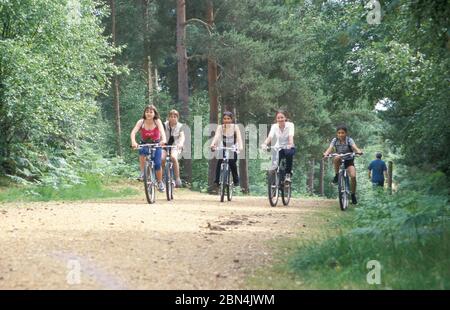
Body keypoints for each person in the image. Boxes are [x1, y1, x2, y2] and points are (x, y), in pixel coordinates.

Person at [323, 125, 363, 204]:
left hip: (349, 160)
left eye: (342, 133)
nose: (341, 134)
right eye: (339, 133)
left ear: (346, 133)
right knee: (336, 157)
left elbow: (354, 147)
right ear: (337, 134)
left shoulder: (349, 140)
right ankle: (337, 175)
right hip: (340, 159)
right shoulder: (335, 140)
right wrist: (325, 154)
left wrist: (358, 151)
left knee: (353, 176)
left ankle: (353, 194)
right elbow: (330, 148)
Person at [130, 105, 167, 192]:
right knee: (142, 151)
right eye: (147, 112)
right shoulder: (141, 122)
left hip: (156, 144)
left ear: (154, 113)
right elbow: (133, 132)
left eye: (151, 112)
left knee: (158, 164)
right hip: (144, 143)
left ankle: (160, 182)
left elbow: (162, 132)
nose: (149, 114)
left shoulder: (157, 121)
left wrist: (164, 140)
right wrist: (133, 142)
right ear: (144, 113)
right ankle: (143, 172)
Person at [210, 111, 243, 187]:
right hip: (224, 146)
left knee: (232, 161)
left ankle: (236, 180)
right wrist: (213, 144)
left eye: (228, 119)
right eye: (225, 119)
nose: (226, 120)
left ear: (231, 120)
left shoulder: (235, 127)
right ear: (223, 120)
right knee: (220, 161)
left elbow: (239, 138)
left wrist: (240, 147)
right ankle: (217, 180)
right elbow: (217, 137)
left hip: (233, 147)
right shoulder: (220, 127)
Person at [261, 110, 296, 183]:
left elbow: (290, 136)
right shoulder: (274, 126)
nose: (280, 119)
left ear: (285, 118)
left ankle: (288, 174)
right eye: (278, 118)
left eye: (282, 117)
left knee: (289, 154)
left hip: (288, 146)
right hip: (278, 147)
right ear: (276, 119)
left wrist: (290, 144)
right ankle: (273, 180)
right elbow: (270, 137)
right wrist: (264, 144)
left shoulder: (290, 125)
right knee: (274, 163)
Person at [162, 109, 185, 188]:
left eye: (175, 117)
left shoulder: (180, 126)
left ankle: (177, 178)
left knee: (173, 157)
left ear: (177, 118)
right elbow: (160, 134)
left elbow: (182, 136)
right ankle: (161, 178)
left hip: (175, 146)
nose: (173, 118)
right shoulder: (164, 125)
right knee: (162, 158)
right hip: (165, 145)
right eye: (171, 116)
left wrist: (181, 144)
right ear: (168, 117)